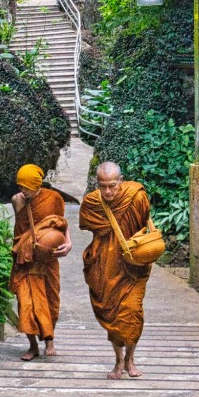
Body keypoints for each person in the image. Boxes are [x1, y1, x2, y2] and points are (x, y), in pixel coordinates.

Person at [79, 161, 152, 379]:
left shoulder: (136, 197)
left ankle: (130, 358)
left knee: (132, 311)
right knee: (112, 312)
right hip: (106, 265)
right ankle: (119, 361)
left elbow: (143, 224)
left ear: (121, 181)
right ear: (97, 184)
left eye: (112, 185)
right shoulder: (92, 202)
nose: (108, 191)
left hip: (133, 265)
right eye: (103, 186)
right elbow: (86, 222)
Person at [10, 163, 71, 361]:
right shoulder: (17, 200)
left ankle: (49, 341)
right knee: (25, 302)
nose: (23, 191)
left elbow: (61, 223)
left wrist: (68, 242)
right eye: (20, 186)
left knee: (49, 299)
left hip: (46, 259)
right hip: (25, 258)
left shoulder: (53, 199)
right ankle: (33, 345)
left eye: (27, 187)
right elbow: (20, 228)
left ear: (37, 185)